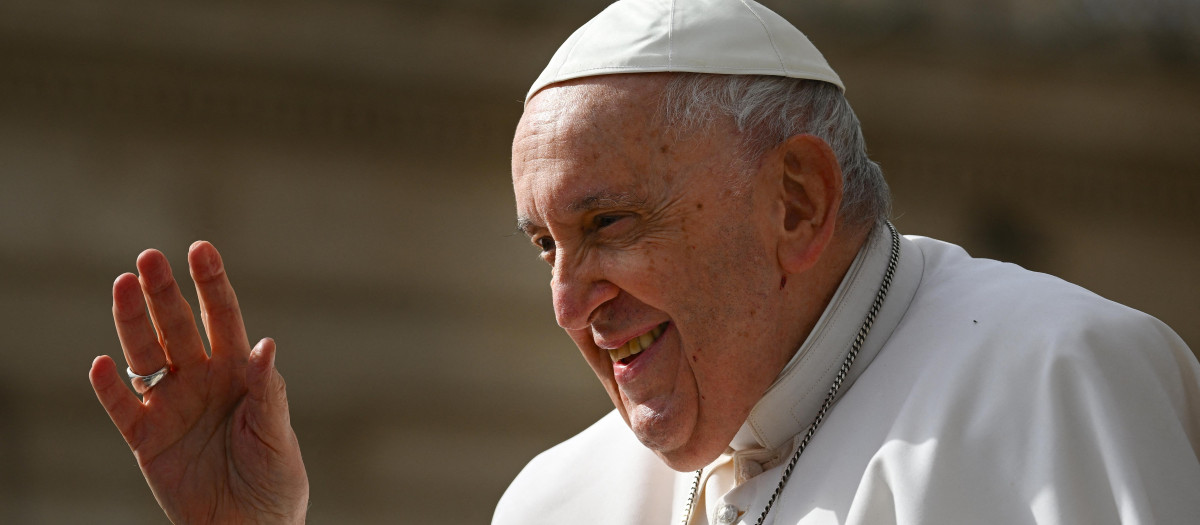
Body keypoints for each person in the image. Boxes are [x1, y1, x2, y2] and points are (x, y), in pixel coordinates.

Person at [90, 1, 1200, 524]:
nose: (569, 301)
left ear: (797, 200)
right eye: (544, 245)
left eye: (611, 224)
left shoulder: (1058, 381)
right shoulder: (556, 502)